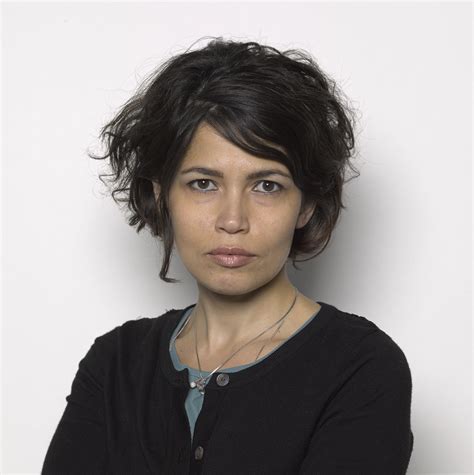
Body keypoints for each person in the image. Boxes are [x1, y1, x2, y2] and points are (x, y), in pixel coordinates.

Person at [42, 37, 414, 474]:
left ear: (307, 204)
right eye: (203, 183)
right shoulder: (115, 364)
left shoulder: (360, 368)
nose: (233, 220)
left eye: (267, 186)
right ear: (162, 195)